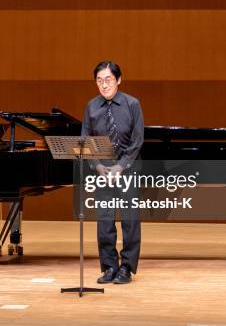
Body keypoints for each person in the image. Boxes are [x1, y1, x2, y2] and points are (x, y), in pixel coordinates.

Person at [81, 61, 144, 284]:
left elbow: (137, 142)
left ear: (118, 80)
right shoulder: (91, 107)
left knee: (130, 221)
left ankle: (126, 267)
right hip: (102, 172)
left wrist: (119, 167)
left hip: (126, 170)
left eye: (108, 79)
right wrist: (98, 166)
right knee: (105, 221)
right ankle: (108, 266)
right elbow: (86, 142)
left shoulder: (132, 104)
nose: (104, 84)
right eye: (99, 80)